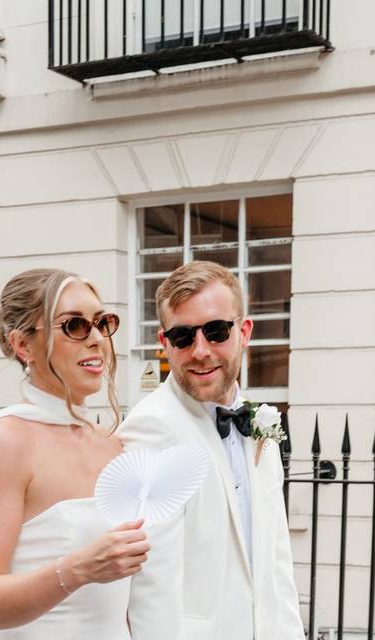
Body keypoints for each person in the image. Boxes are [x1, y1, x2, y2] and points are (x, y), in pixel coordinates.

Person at [0, 268, 150, 639]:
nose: (96, 339)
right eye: (74, 326)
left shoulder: (113, 444)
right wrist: (79, 569)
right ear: (23, 345)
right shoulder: (5, 443)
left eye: (102, 323)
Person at [119, 261, 306, 640]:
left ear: (244, 331)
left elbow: (276, 561)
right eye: (184, 336)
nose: (200, 351)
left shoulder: (260, 421)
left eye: (216, 331)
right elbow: (149, 588)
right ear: (164, 342)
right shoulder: (151, 428)